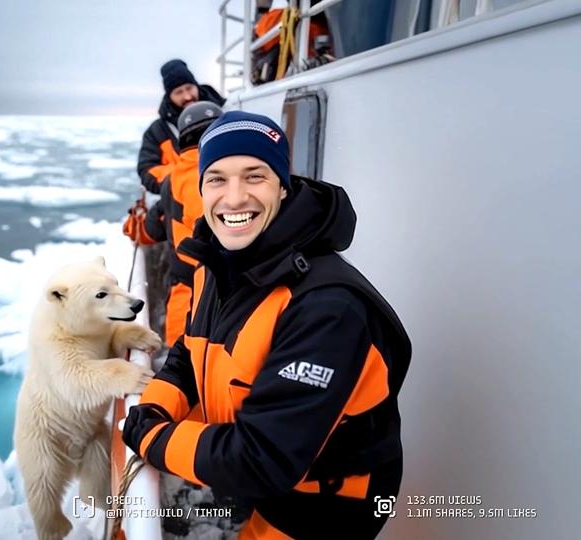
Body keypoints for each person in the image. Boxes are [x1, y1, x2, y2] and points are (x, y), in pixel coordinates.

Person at [122, 111, 411, 539]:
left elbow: (261, 459)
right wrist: (156, 407)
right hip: (275, 492)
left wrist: (153, 439)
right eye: (217, 178)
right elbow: (189, 350)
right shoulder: (216, 267)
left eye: (254, 176)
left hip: (326, 510)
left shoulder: (327, 308)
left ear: (282, 184)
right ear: (201, 188)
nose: (234, 197)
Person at [147, 100, 223, 348]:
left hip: (184, 300)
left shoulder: (173, 178)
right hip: (219, 301)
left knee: (179, 371)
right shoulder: (221, 174)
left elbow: (153, 227)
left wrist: (134, 226)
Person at [137, 59, 225, 194]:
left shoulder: (226, 112)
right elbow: (147, 171)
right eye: (179, 92)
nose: (187, 96)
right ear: (169, 96)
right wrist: (186, 175)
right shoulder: (157, 131)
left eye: (189, 88)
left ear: (196, 85)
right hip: (184, 202)